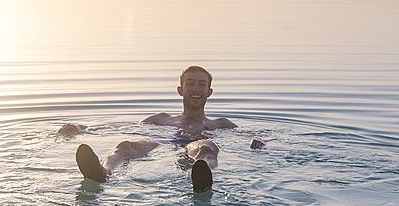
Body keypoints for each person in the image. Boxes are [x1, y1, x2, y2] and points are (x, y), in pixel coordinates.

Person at [62, 65, 259, 192]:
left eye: (201, 85)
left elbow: (253, 137)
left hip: (198, 144)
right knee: (124, 145)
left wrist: (258, 142)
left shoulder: (220, 124)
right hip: (165, 143)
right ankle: (104, 172)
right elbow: (121, 127)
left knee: (206, 147)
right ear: (181, 90)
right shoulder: (162, 119)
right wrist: (80, 127)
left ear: (209, 92)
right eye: (190, 84)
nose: (196, 89)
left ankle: (204, 179)